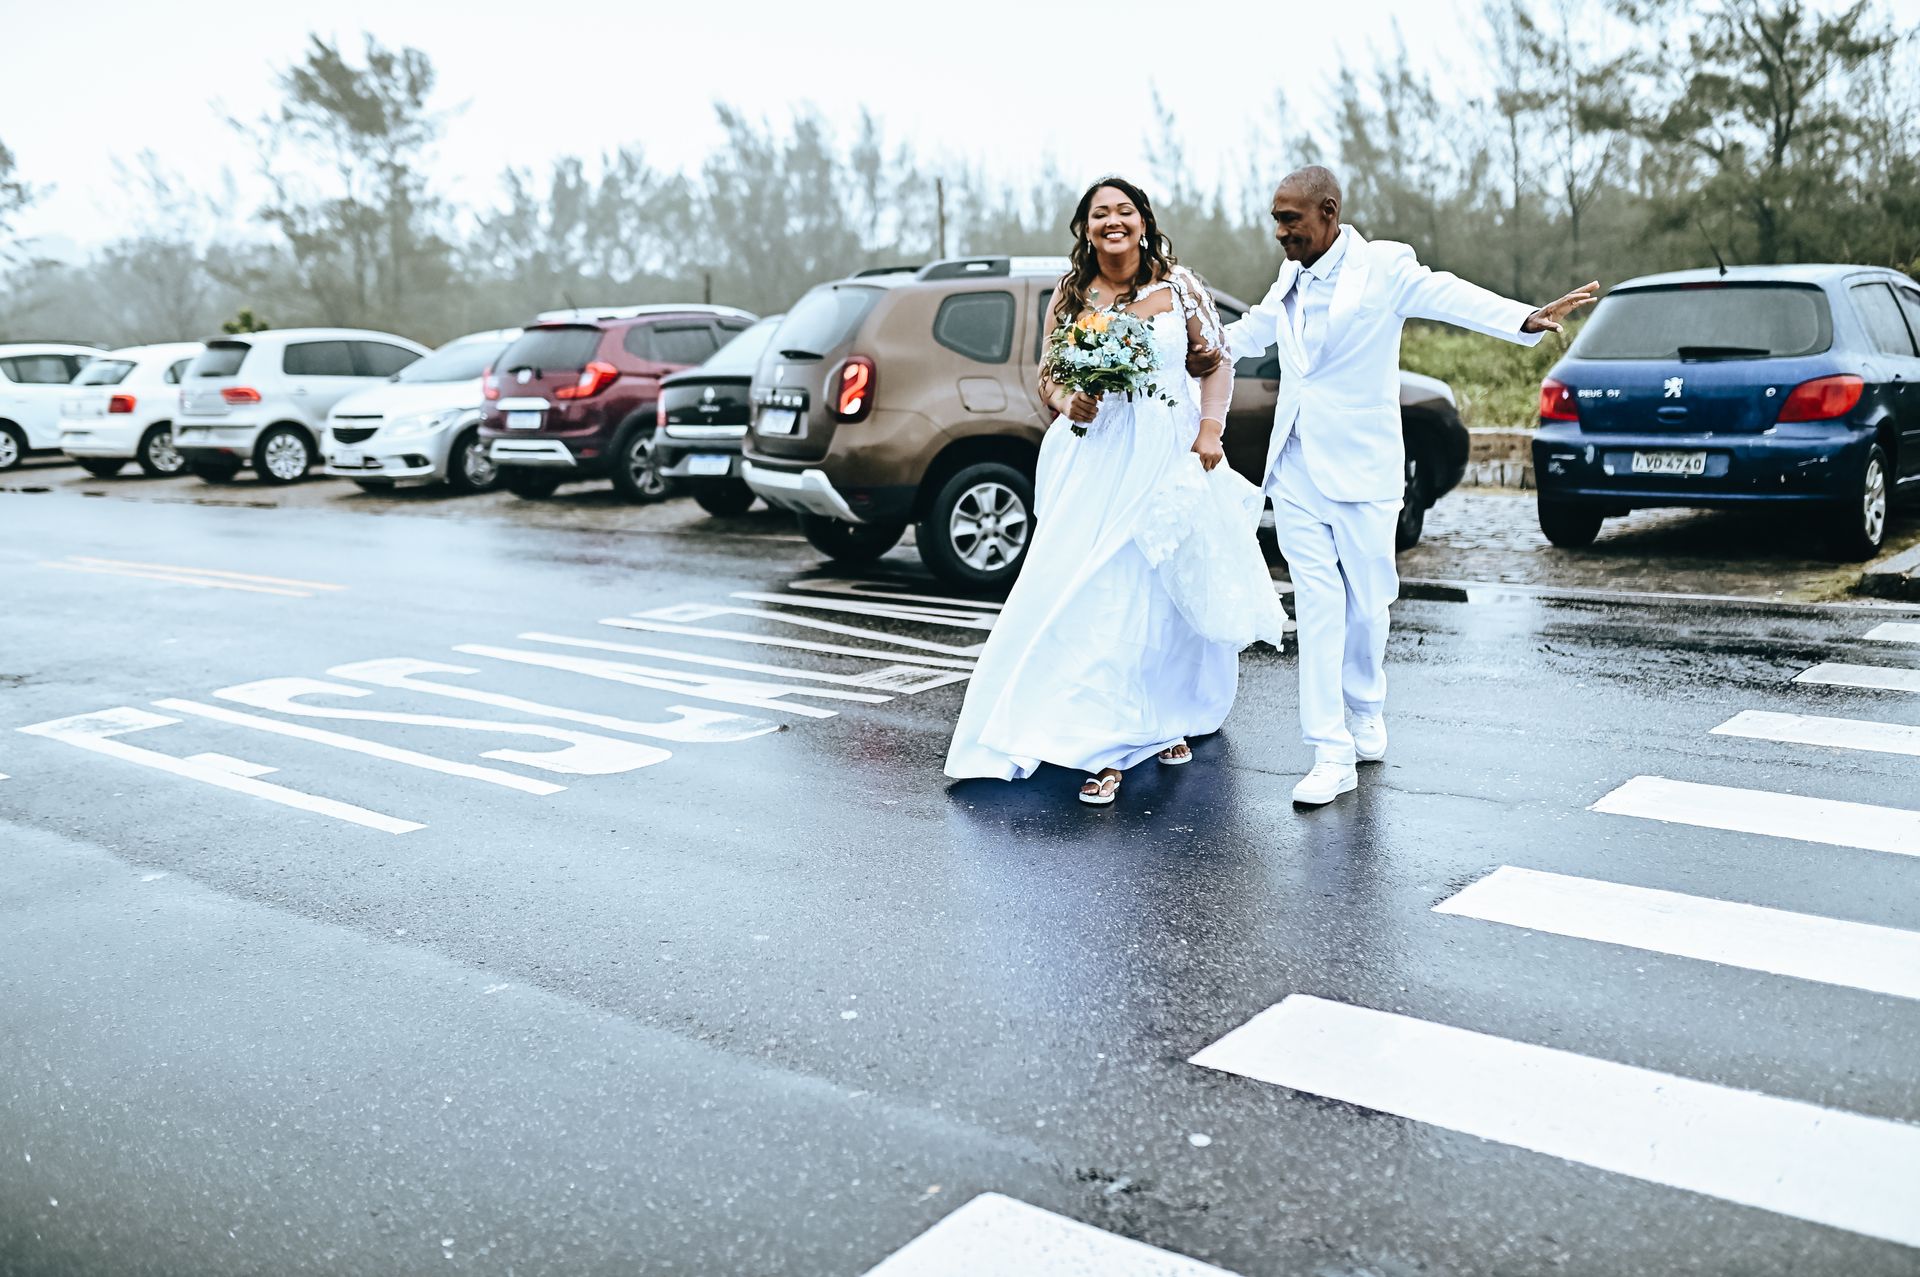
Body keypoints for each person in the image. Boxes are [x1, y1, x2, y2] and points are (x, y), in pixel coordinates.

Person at [1221, 166, 1597, 806]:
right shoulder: (1289, 274)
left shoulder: (1385, 268)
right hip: (1295, 464)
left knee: (1368, 601)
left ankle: (1366, 706)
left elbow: (1451, 296)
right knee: (1314, 603)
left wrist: (1526, 318)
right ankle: (1328, 750)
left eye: (1291, 220)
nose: (1280, 232)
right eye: (1277, 220)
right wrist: (1182, 347)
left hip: (1363, 467)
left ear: (1329, 212)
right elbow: (1253, 331)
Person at [945, 176, 1286, 805]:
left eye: (1124, 210)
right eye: (1100, 213)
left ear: (1144, 221)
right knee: (1093, 591)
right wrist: (1067, 400)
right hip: (1094, 460)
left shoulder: (1180, 288)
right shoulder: (1072, 293)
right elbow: (1047, 374)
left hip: (1167, 455)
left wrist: (1210, 432)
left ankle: (1159, 720)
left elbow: (1214, 365)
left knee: (1158, 594)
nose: (1113, 221)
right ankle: (1103, 741)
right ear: (1085, 229)